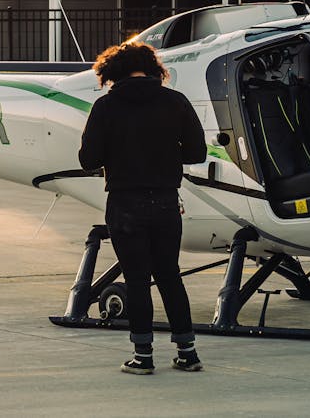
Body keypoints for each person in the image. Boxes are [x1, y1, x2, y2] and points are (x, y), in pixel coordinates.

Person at [77, 41, 208, 375]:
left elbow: (88, 159)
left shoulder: (106, 107)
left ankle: (143, 356)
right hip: (165, 202)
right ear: (153, 68)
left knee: (136, 279)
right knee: (169, 276)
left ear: (113, 72)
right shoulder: (175, 101)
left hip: (124, 203)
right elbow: (196, 153)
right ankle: (187, 352)